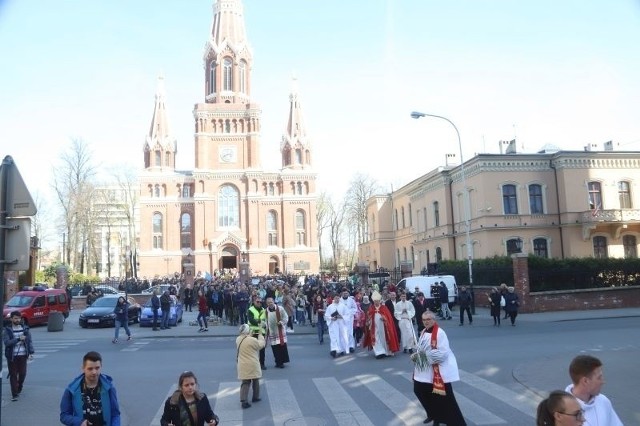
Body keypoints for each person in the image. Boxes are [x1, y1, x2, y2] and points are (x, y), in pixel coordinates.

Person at [412, 311, 466, 426]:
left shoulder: (440, 333)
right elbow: (422, 348)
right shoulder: (423, 332)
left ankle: (453, 422)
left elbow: (442, 353)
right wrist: (416, 353)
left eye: (428, 319)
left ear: (434, 320)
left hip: (438, 371)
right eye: (424, 320)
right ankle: (433, 414)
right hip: (424, 371)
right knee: (419, 391)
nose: (426, 322)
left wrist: (422, 357)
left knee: (444, 399)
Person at [60, 351, 121, 426]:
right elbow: (64, 416)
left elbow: (115, 414)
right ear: (83, 368)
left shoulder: (109, 388)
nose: (94, 372)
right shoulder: (72, 389)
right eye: (90, 369)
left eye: (97, 368)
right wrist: (79, 422)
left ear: (101, 366)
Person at [565, 355, 623, 426]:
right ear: (585, 381)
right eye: (599, 377)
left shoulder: (603, 401)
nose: (603, 382)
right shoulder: (563, 410)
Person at [3, 311, 34, 401]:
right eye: (15, 318)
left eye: (19, 318)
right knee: (13, 375)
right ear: (11, 319)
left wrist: (31, 353)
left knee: (22, 374)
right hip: (12, 356)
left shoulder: (25, 329)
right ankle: (14, 394)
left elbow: (29, 342)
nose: (18, 320)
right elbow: (7, 343)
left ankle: (19, 386)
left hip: (23, 355)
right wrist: (18, 339)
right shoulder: (7, 330)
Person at [362, 291, 400, 359]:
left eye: (377, 301)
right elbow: (368, 316)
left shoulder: (384, 308)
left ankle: (386, 351)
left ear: (380, 301)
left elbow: (389, 318)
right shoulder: (371, 308)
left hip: (383, 327)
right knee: (376, 339)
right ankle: (379, 352)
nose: (376, 302)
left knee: (384, 339)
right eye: (375, 301)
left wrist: (384, 318)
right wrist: (369, 321)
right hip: (374, 327)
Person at [236, 323, 265, 409]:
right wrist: (260, 334)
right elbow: (261, 344)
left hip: (242, 364)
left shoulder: (238, 339)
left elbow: (246, 339)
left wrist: (250, 334)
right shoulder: (252, 340)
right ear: (247, 331)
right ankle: (255, 397)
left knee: (245, 382)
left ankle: (243, 400)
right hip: (252, 364)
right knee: (255, 380)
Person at [264, 297, 290, 368]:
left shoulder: (280, 308)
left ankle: (282, 362)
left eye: (271, 302)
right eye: (268, 302)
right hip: (272, 331)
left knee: (281, 347)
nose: (270, 304)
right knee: (275, 348)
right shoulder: (266, 311)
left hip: (280, 330)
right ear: (267, 303)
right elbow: (265, 321)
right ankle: (277, 362)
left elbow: (285, 317)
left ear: (274, 302)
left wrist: (281, 322)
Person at [325, 294, 349, 358]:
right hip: (333, 324)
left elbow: (347, 314)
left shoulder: (343, 306)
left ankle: (341, 350)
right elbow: (327, 315)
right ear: (334, 299)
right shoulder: (330, 306)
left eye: (338, 298)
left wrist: (342, 316)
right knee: (333, 337)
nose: (337, 299)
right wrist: (331, 318)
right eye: (336, 298)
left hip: (341, 323)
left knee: (341, 337)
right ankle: (334, 350)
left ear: (339, 299)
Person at [247, 296, 267, 369]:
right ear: (254, 302)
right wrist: (261, 322)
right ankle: (253, 364)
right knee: (253, 349)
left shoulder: (263, 310)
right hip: (253, 332)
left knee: (262, 349)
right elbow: (251, 320)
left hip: (262, 332)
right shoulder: (250, 310)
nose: (259, 303)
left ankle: (262, 364)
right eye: (257, 302)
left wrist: (263, 323)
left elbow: (266, 320)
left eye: (260, 302)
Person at [338, 287, 358, 352]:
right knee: (342, 333)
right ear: (342, 294)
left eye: (346, 293)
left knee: (350, 333)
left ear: (348, 294)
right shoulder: (339, 300)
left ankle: (351, 346)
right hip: (342, 319)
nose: (345, 294)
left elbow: (355, 308)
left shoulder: (351, 300)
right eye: (344, 293)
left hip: (349, 319)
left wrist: (349, 312)